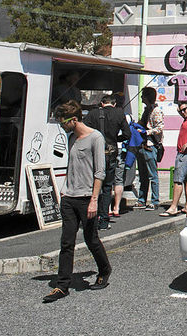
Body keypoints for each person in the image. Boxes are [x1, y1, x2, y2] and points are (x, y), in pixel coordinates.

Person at [42, 100, 112, 303]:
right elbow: (72, 167)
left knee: (91, 240)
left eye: (63, 122)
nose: (62, 127)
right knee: (67, 242)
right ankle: (62, 285)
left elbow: (100, 172)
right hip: (69, 197)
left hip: (86, 198)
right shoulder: (71, 137)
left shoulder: (95, 138)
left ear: (73, 119)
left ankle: (105, 269)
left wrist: (93, 201)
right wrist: (63, 192)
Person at [85, 94, 130, 230]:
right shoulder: (119, 113)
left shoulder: (93, 114)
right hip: (111, 153)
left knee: (92, 185)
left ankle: (90, 218)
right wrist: (116, 139)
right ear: (114, 104)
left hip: (94, 153)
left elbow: (84, 131)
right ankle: (104, 220)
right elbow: (127, 134)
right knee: (106, 187)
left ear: (102, 103)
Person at [160, 101, 187, 217]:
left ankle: (173, 207)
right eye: (181, 110)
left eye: (185, 109)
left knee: (178, 179)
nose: (183, 112)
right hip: (185, 153)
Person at [133, 87, 162, 210]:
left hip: (150, 145)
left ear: (147, 97)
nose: (141, 98)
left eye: (143, 96)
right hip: (142, 145)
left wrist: (147, 132)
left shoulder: (156, 111)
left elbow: (160, 127)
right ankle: (142, 200)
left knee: (152, 174)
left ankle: (155, 201)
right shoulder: (146, 110)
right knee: (143, 175)